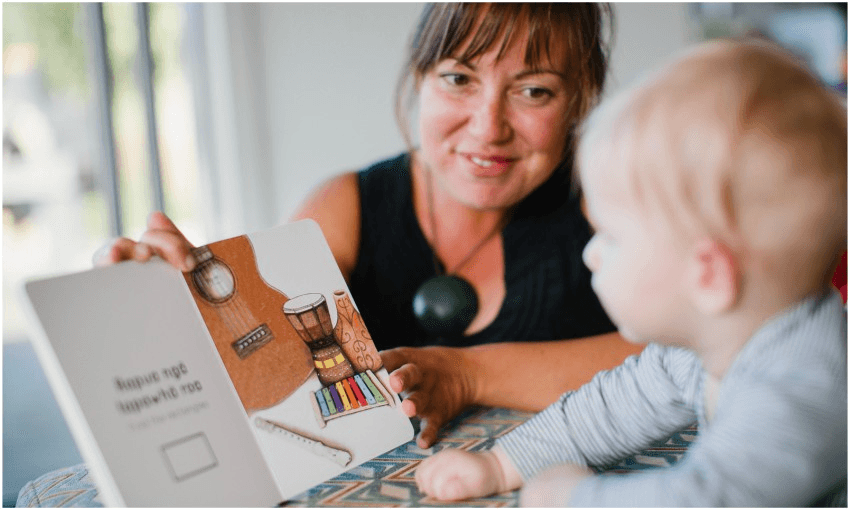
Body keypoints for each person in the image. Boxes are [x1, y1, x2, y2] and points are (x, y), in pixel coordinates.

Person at [95, 2, 643, 449]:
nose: (488, 126)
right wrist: (179, 302)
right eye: (458, 78)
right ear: (419, 79)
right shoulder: (347, 204)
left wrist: (466, 373)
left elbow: (688, 356)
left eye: (534, 91)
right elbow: (269, 365)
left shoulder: (607, 201)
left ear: (580, 101)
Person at [414, 39, 848, 506]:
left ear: (708, 277)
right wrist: (502, 465)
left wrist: (571, 498)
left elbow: (700, 500)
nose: (591, 255)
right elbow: (611, 407)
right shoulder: (705, 348)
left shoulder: (800, 392)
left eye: (611, 237)